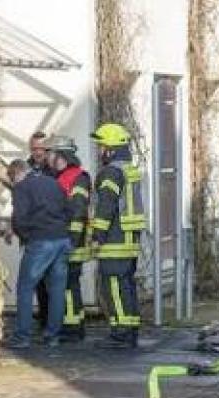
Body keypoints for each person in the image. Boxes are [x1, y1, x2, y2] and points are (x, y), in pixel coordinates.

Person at [5, 159, 72, 349]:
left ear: (17, 174)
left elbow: (19, 218)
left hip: (40, 241)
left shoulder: (21, 188)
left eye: (12, 180)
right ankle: (53, 336)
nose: (13, 184)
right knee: (57, 290)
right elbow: (69, 209)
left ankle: (22, 337)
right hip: (62, 239)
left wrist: (27, 237)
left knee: (25, 288)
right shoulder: (52, 182)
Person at [90, 123, 145, 349]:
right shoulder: (128, 169)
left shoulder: (111, 172)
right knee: (126, 286)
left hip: (115, 238)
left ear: (110, 149)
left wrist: (97, 235)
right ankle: (129, 330)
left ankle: (121, 334)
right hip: (130, 238)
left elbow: (106, 206)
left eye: (101, 146)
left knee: (113, 285)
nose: (99, 151)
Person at [45, 135, 92, 341]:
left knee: (68, 284)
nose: (48, 157)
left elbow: (78, 210)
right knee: (64, 284)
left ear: (61, 155)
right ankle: (71, 324)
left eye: (51, 153)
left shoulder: (78, 177)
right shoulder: (58, 177)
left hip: (71, 241)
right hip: (60, 239)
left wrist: (72, 240)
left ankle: (72, 328)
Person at [28, 131, 55, 329]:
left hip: (50, 230)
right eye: (34, 148)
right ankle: (43, 317)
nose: (38, 152)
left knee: (51, 279)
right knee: (36, 278)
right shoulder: (26, 168)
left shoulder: (53, 170)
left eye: (41, 148)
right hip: (33, 232)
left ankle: (51, 320)